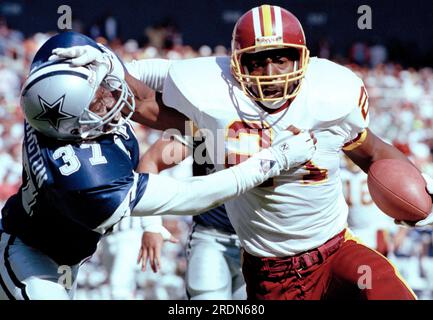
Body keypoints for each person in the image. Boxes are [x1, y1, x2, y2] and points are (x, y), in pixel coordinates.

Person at [52, 5, 430, 300]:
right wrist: (98, 62)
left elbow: (374, 153)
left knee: (387, 291)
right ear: (236, 63)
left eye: (281, 57)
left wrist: (420, 199)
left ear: (302, 58)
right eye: (257, 60)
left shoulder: (332, 95)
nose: (270, 71)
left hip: (336, 249)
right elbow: (147, 98)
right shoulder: (215, 98)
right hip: (269, 268)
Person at [0, 31, 316, 300]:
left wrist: (108, 60)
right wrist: (274, 158)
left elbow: (152, 101)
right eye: (97, 99)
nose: (110, 95)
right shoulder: (87, 179)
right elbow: (195, 194)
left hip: (66, 256)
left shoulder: (54, 86)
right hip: (30, 254)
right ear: (75, 124)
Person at [138, 134, 246, 300]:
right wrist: (151, 225)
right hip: (212, 237)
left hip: (264, 242)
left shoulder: (283, 118)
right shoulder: (205, 119)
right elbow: (151, 160)